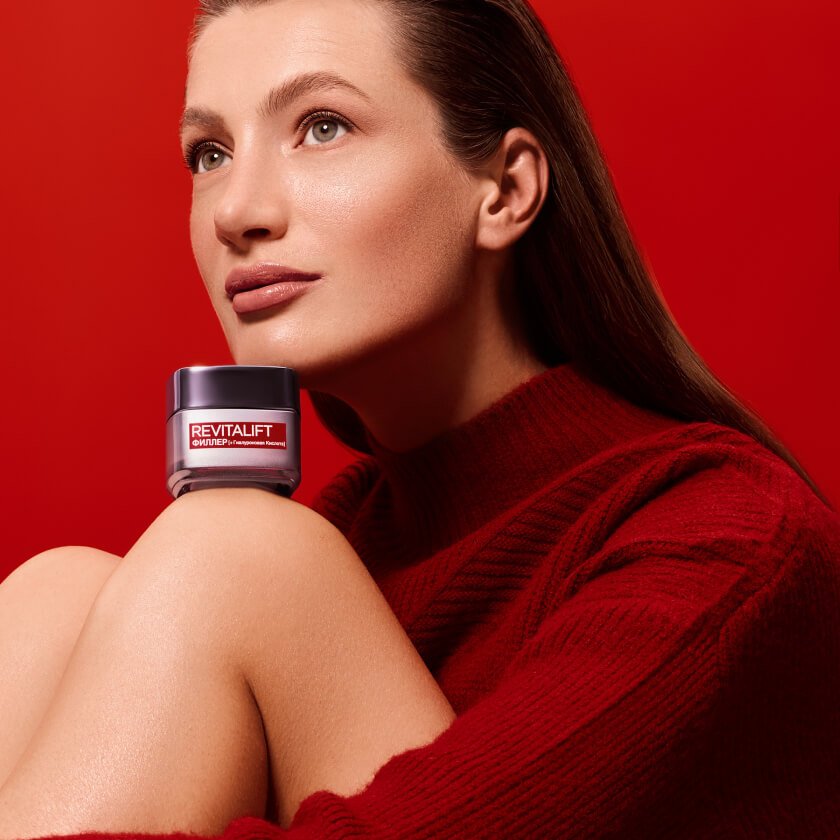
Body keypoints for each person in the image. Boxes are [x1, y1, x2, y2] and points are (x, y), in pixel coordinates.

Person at [1, 0, 838, 837]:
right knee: (58, 596)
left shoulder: (728, 544)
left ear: (506, 190)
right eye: (210, 153)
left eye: (322, 127)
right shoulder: (343, 554)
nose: (235, 212)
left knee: (232, 551)